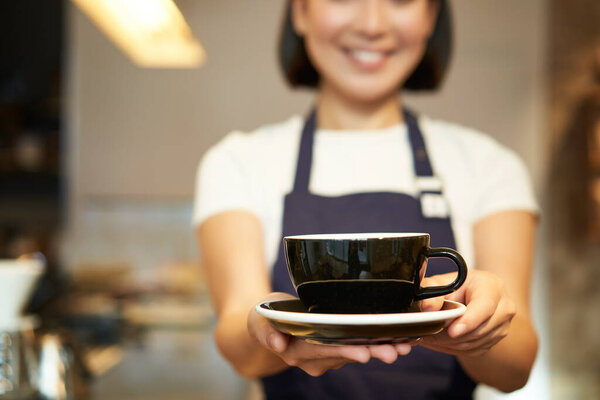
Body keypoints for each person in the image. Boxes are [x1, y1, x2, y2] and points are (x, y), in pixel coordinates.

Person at [194, 1, 539, 398]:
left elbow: (517, 367)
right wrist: (268, 327)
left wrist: (475, 326)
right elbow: (239, 345)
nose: (372, 24)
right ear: (299, 12)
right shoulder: (238, 162)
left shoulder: (488, 165)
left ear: (431, 16)